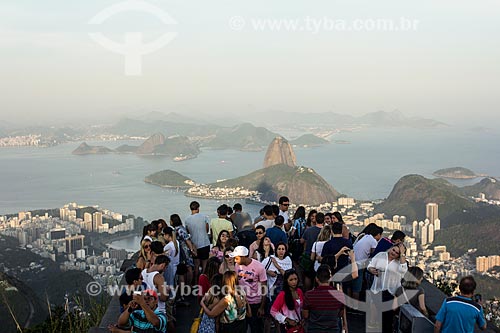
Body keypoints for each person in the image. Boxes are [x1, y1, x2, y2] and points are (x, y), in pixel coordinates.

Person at [367, 243, 408, 332]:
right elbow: (370, 265)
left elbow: (404, 270)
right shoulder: (381, 255)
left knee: (387, 320)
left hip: (390, 293)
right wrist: (371, 269)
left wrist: (402, 254)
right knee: (374, 318)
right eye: (393, 250)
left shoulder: (401, 263)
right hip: (377, 290)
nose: (393, 253)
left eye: (397, 253)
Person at [230, 246, 267, 333]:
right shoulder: (237, 265)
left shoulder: (259, 267)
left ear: (243, 257)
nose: (235, 260)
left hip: (255, 303)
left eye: (237, 258)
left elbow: (264, 287)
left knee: (256, 328)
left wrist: (261, 307)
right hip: (242, 302)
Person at [303, 264, 347, 333]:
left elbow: (305, 315)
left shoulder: (309, 295)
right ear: (331, 278)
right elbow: (340, 314)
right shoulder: (339, 295)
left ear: (317, 279)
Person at [170, 213, 196, 302]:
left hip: (183, 251)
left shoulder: (178, 230)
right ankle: (187, 286)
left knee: (187, 268)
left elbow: (187, 240)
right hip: (184, 250)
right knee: (187, 268)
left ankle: (187, 286)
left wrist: (191, 249)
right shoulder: (181, 228)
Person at [184, 201, 211, 283]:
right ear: (198, 208)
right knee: (204, 264)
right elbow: (207, 229)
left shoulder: (187, 219)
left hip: (194, 245)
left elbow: (187, 231)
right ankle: (203, 281)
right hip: (204, 243)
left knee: (196, 265)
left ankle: (195, 281)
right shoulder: (204, 217)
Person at [300, 212, 324, 291]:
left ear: (315, 220)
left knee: (308, 276)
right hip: (321, 258)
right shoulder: (326, 232)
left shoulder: (309, 230)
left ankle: (307, 292)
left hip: (308, 255)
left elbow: (302, 241)